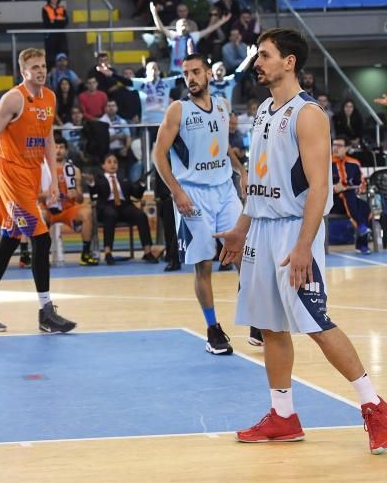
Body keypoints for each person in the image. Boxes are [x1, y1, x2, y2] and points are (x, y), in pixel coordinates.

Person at [216, 28, 386, 453]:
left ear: (289, 62)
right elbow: (256, 181)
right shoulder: (263, 112)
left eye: (266, 55)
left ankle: (376, 407)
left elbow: (319, 189)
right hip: (262, 230)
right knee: (271, 325)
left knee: (315, 322)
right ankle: (284, 415)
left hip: (295, 230)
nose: (258, 62)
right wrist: (241, 226)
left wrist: (304, 246)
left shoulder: (308, 114)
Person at [0, 48, 77, 334]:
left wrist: (52, 180)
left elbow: (49, 140)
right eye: (34, 67)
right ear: (23, 72)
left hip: (31, 176)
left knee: (10, 239)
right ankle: (46, 311)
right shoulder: (13, 99)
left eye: (43, 65)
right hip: (11, 177)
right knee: (40, 239)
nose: (41, 70)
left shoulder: (50, 98)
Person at [153, 53, 247, 355]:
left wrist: (242, 171)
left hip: (224, 190)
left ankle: (255, 318)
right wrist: (177, 192)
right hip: (193, 196)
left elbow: (221, 149)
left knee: (243, 254)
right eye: (186, 74)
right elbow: (158, 155)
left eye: (196, 72)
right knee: (203, 264)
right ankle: (213, 329)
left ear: (208, 74)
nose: (191, 78)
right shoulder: (177, 110)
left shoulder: (221, 105)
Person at [90, 153, 157, 265]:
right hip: (107, 206)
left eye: (115, 162)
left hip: (125, 206)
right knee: (110, 214)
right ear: (103, 165)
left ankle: (147, 251)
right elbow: (93, 194)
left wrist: (142, 183)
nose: (113, 164)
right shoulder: (98, 179)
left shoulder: (123, 178)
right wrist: (91, 184)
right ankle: (108, 253)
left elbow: (136, 195)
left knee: (141, 215)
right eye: (109, 162)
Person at [41, 139, 98, 265]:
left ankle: (85, 253)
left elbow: (80, 198)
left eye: (61, 147)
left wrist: (76, 194)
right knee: (40, 215)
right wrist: (47, 194)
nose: (58, 150)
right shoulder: (42, 169)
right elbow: (35, 196)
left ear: (66, 150)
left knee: (87, 212)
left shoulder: (74, 170)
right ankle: (42, 256)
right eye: (55, 147)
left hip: (68, 209)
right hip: (48, 209)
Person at [149, 2, 231, 75]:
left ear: (188, 27)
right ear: (177, 27)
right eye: (181, 25)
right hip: (175, 70)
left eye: (185, 24)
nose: (184, 26)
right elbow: (161, 28)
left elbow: (209, 30)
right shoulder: (173, 36)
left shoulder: (193, 36)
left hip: (190, 72)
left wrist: (222, 21)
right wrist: (154, 13)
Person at [331, 136, 372, 254]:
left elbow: (362, 184)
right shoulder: (326, 163)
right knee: (352, 198)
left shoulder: (354, 163)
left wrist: (357, 188)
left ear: (347, 148)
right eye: (334, 145)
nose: (335, 148)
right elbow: (320, 185)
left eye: (339, 146)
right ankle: (362, 241)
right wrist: (334, 189)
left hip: (351, 199)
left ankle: (361, 230)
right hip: (333, 202)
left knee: (365, 206)